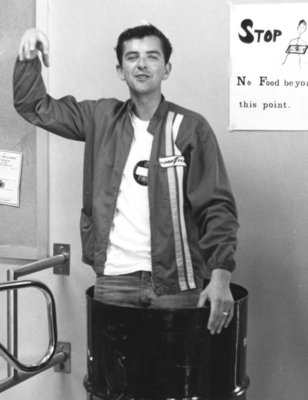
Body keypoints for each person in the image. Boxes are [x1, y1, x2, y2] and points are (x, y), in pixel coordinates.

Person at [14, 24, 239, 336]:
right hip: (114, 280)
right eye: (132, 57)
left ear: (167, 68)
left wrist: (220, 275)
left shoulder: (190, 128)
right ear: (121, 70)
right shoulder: (100, 118)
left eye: (152, 57)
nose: (142, 64)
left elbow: (216, 207)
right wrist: (28, 57)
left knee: (175, 382)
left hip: (176, 283)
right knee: (112, 383)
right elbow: (36, 107)